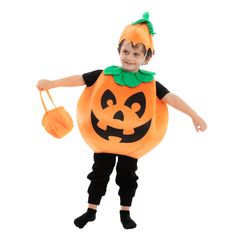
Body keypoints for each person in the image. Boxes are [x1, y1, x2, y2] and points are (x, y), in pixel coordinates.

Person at [37, 12, 207, 229]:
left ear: (146, 58)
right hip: (103, 141)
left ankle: (125, 212)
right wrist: (52, 83)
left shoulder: (151, 83)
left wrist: (194, 114)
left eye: (136, 54)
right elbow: (79, 79)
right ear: (119, 50)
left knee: (127, 176)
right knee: (99, 174)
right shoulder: (103, 74)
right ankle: (91, 210)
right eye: (126, 51)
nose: (129, 57)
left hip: (131, 144)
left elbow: (171, 98)